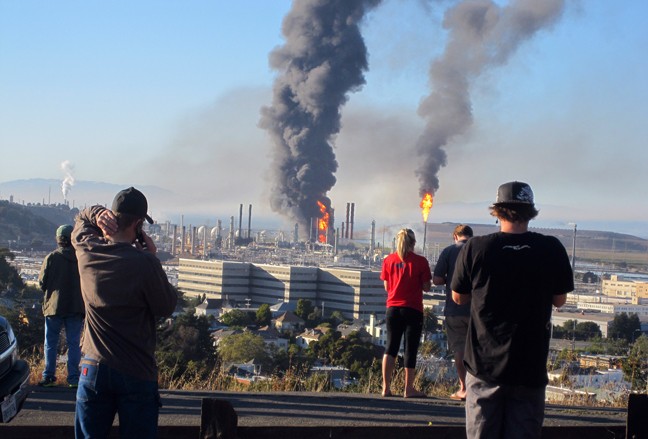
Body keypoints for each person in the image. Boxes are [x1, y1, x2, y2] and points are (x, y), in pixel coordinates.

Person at [451, 181, 573, 439]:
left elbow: (458, 297)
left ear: (497, 211)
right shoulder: (551, 248)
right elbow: (559, 300)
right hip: (529, 367)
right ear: (531, 212)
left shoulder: (476, 248)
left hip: (484, 366)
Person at [71, 187, 178, 439]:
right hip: (136, 369)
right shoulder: (145, 263)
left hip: (93, 365)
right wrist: (152, 259)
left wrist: (96, 213)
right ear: (139, 224)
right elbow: (166, 306)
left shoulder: (88, 252)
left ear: (112, 217)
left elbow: (79, 220)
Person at [380, 228, 432, 398]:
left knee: (391, 347)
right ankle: (408, 389)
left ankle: (386, 388)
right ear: (413, 243)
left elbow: (387, 287)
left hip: (392, 309)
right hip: (413, 309)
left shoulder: (388, 260)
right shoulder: (421, 262)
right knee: (410, 349)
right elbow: (426, 287)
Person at [38, 224, 85, 388]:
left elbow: (42, 283)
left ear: (58, 239)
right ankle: (73, 378)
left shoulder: (51, 258)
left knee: (50, 343)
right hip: (75, 306)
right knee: (74, 343)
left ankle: (49, 376)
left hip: (54, 307)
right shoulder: (80, 258)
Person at [432, 224, 473, 401]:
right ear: (471, 236)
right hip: (477, 310)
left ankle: (463, 387)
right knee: (478, 350)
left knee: (459, 348)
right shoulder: (480, 250)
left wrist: (452, 280)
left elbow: (437, 279)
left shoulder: (448, 251)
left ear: (455, 236)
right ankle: (478, 387)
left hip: (454, 309)